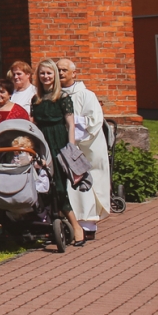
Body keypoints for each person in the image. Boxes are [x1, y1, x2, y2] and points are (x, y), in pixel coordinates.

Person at [30, 59, 84, 246]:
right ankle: (56, 225)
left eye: (49, 73)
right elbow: (34, 125)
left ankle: (77, 227)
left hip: (59, 142)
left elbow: (70, 124)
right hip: (43, 144)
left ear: (54, 75)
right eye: (42, 73)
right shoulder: (36, 99)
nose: (46, 76)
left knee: (59, 187)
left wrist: (71, 148)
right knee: (45, 186)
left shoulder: (62, 97)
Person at [60, 59, 111, 241]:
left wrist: (71, 133)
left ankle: (88, 225)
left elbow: (94, 121)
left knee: (85, 183)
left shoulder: (86, 95)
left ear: (74, 73)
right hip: (63, 147)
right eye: (58, 70)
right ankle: (69, 223)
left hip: (86, 147)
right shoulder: (54, 95)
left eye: (64, 70)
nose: (60, 73)